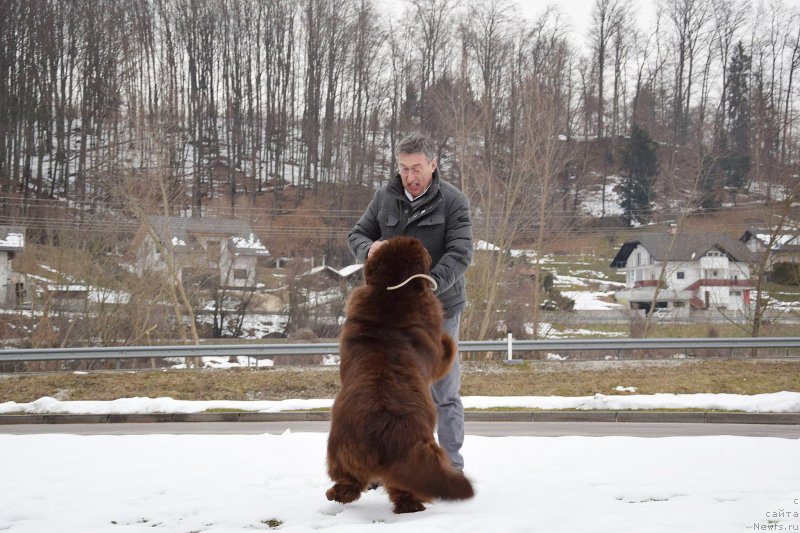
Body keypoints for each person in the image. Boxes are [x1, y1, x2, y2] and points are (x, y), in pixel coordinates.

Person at [347, 131, 473, 470]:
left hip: (441, 311)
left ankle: (450, 466)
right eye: (403, 168)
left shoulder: (454, 201)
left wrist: (428, 283)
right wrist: (367, 248)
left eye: (417, 168)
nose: (410, 177)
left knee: (443, 393)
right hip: (392, 314)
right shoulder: (384, 198)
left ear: (433, 164)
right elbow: (357, 234)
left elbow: (460, 253)